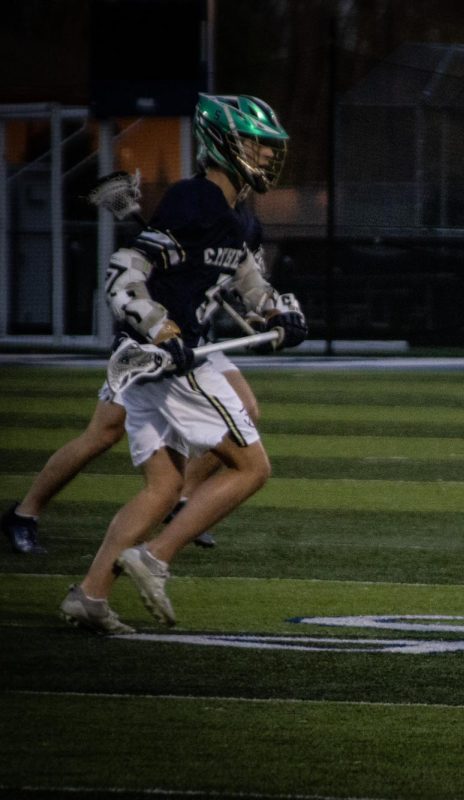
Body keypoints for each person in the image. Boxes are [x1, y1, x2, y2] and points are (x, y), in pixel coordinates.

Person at [58, 93, 307, 634]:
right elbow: (125, 270)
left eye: (269, 146)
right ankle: (155, 557)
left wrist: (276, 313)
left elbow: (245, 280)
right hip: (168, 360)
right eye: (254, 144)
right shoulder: (191, 200)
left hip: (156, 368)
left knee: (163, 488)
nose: (266, 154)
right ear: (222, 142)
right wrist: (160, 328)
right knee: (253, 468)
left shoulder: (237, 216)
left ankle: (91, 596)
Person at [2, 350, 256, 554]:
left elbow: (239, 290)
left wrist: (268, 312)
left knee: (246, 410)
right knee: (104, 433)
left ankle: (180, 501)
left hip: (198, 345)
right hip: (149, 348)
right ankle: (25, 514)